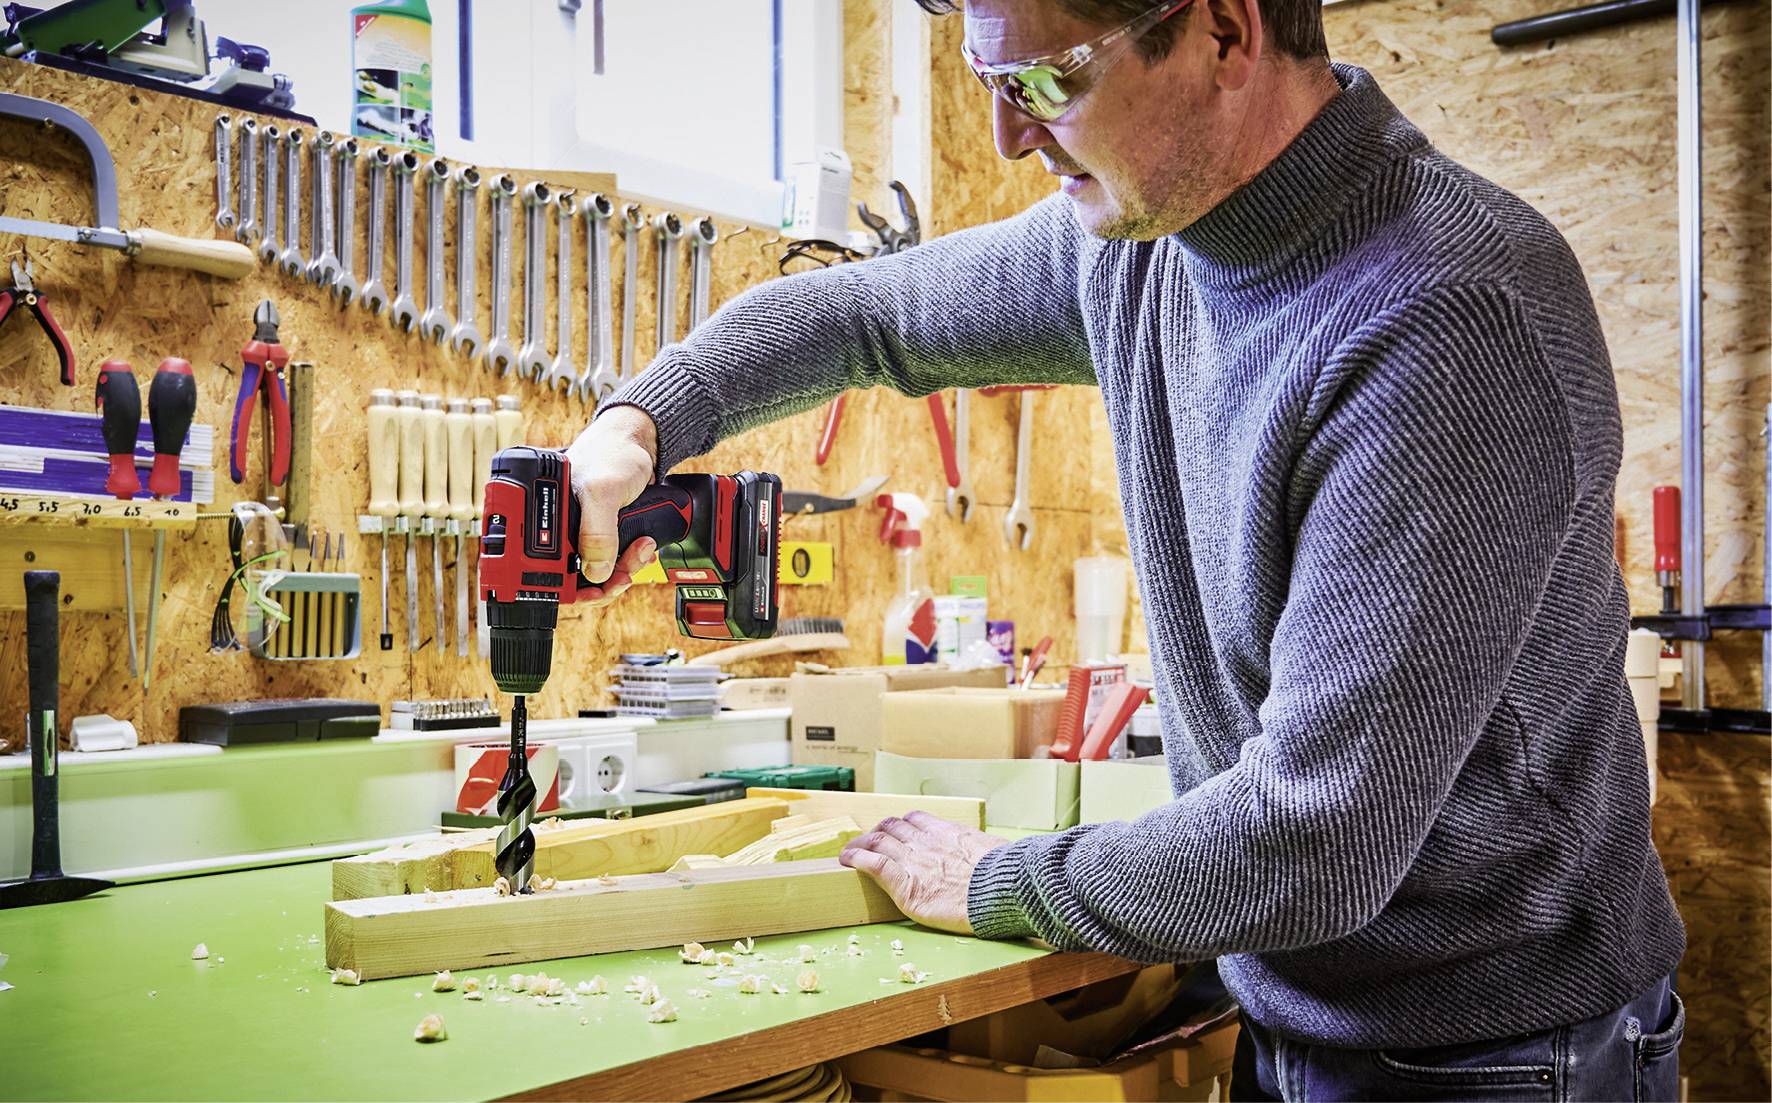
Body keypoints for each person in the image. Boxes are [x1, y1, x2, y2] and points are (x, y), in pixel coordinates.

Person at [566, 0, 1686, 1097]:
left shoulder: (1442, 317)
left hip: (1498, 1050)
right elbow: (869, 315)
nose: (1007, 136)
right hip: (1297, 1011)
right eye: (988, 83)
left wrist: (997, 880)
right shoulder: (1147, 237)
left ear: (1224, 34)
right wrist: (640, 422)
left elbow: (1313, 839)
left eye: (1047, 81)